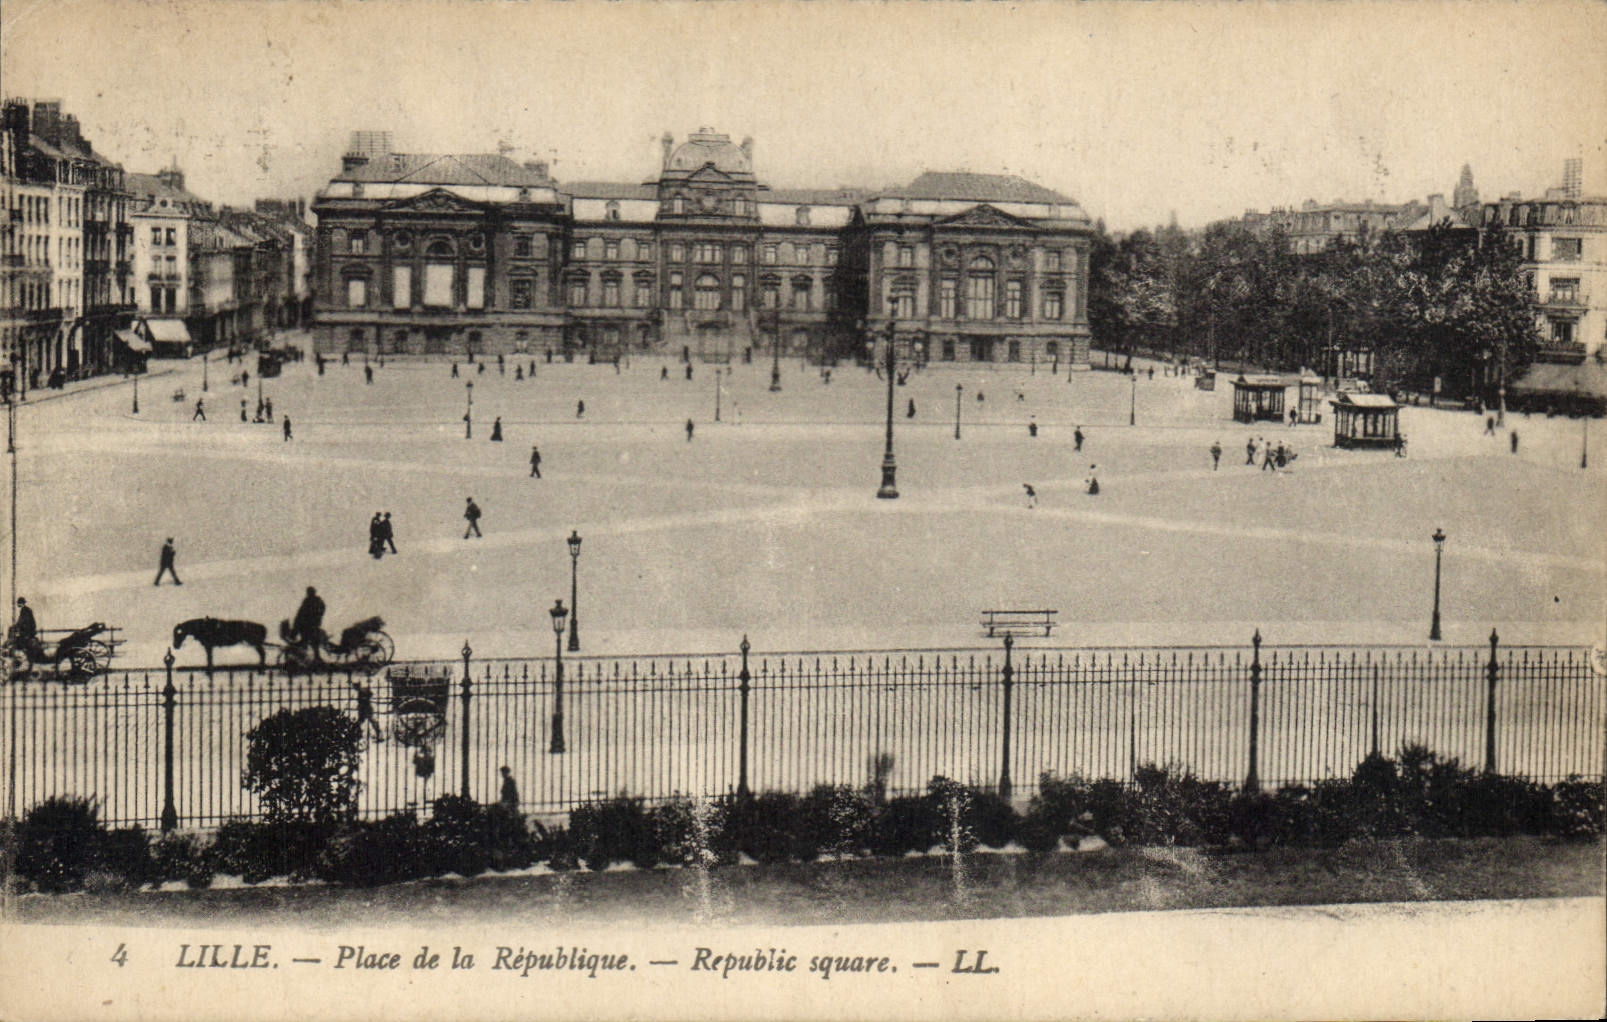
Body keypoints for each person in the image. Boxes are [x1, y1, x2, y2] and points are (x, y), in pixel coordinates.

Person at [8, 597, 44, 664]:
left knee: (18, 639)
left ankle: (20, 654)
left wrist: (16, 626)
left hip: (29, 631)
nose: (17, 604)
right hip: (29, 630)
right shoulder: (25, 610)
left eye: (19, 603)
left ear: (22, 603)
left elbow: (23, 621)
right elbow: (21, 621)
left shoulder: (25, 611)